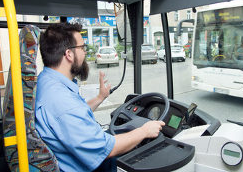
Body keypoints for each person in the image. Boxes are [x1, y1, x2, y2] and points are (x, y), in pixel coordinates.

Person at [35, 23, 165, 172]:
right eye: (82, 48)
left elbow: (74, 116)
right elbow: (106, 149)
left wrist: (100, 97)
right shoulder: (62, 101)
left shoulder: (46, 81)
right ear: (69, 54)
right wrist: (145, 131)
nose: (85, 53)